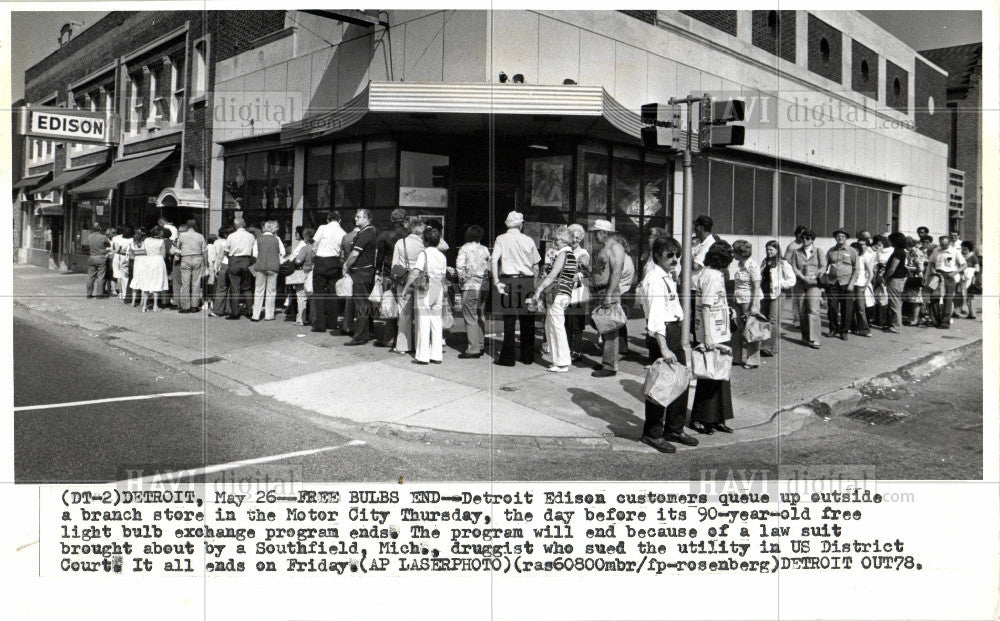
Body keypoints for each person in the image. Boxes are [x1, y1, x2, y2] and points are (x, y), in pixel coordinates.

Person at [639, 235, 699, 453]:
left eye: (677, 255)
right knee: (661, 385)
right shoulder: (654, 279)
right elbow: (656, 317)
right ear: (657, 256)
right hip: (662, 336)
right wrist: (663, 348)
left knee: (680, 382)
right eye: (669, 255)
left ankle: (674, 428)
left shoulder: (667, 276)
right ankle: (652, 433)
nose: (675, 259)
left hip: (673, 333)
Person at [690, 240, 736, 435]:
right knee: (709, 377)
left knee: (720, 376)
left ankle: (718, 417)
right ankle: (702, 418)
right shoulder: (713, 276)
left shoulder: (708, 274)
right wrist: (708, 337)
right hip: (712, 333)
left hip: (717, 330)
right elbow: (706, 306)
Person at [491, 211, 541, 367]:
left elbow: (493, 260)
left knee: (509, 320)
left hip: (508, 281)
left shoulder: (501, 239)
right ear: (520, 224)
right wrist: (534, 284)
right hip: (526, 282)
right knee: (528, 321)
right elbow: (536, 265)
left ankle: (507, 358)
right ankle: (527, 356)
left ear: (507, 223)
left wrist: (496, 281)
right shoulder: (528, 240)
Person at [533, 226, 577, 373]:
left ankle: (562, 361)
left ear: (564, 240)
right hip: (565, 293)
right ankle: (557, 359)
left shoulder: (563, 254)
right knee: (552, 325)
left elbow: (553, 274)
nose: (555, 241)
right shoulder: (571, 254)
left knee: (556, 327)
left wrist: (539, 288)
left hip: (558, 294)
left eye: (557, 239)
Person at [405, 226, 448, 364]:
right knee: (436, 321)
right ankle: (436, 355)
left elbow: (416, 272)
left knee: (423, 322)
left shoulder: (424, 254)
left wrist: (406, 287)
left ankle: (423, 355)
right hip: (438, 288)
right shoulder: (442, 256)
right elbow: (443, 276)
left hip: (426, 289)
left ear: (425, 240)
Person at [590, 220, 626, 377]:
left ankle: (610, 366)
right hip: (602, 291)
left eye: (595, 232)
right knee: (603, 326)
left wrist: (609, 294)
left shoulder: (615, 247)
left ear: (603, 232)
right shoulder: (606, 248)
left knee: (610, 328)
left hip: (607, 291)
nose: (594, 235)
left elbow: (616, 272)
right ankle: (607, 361)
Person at [343, 209, 379, 345]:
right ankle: (369, 331)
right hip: (366, 271)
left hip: (361, 273)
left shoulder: (366, 232)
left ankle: (361, 336)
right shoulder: (368, 231)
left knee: (361, 304)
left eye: (358, 217)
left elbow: (354, 254)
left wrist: (346, 266)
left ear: (366, 218)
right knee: (365, 303)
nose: (355, 219)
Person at [391, 217, 427, 354]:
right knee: (420, 315)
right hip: (420, 280)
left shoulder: (401, 243)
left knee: (404, 314)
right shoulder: (425, 244)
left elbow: (395, 264)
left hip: (404, 280)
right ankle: (420, 345)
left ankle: (402, 346)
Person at [374, 209, 409, 347]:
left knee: (390, 304)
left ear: (392, 220)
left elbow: (380, 257)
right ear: (404, 220)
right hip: (406, 273)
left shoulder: (385, 235)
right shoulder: (408, 235)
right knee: (404, 306)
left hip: (389, 273)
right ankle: (404, 338)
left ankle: (389, 338)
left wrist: (378, 272)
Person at [456, 224, 491, 358]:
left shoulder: (465, 248)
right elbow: (489, 266)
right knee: (480, 314)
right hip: (484, 285)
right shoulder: (485, 249)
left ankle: (473, 348)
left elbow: (460, 267)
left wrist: (461, 280)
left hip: (470, 284)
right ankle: (481, 344)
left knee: (470, 316)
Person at [309, 211, 346, 333]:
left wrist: (314, 261)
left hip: (321, 261)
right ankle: (332, 323)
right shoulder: (343, 233)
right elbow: (342, 252)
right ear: (339, 220)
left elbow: (314, 247)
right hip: (334, 262)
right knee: (333, 293)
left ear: (327, 219)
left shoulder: (322, 228)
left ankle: (320, 324)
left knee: (318, 293)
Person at [789, 228, 825, 348]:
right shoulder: (796, 252)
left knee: (813, 310)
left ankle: (815, 339)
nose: (805, 240)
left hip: (813, 285)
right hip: (800, 284)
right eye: (803, 238)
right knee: (802, 310)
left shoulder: (818, 251)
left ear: (812, 240)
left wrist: (815, 275)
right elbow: (794, 266)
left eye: (807, 238)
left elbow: (823, 267)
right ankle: (805, 337)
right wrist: (801, 276)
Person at [759, 240, 795, 357]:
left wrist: (779, 284)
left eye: (771, 249)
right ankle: (764, 345)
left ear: (777, 250)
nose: (769, 252)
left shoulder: (783, 263)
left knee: (773, 320)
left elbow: (792, 280)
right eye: (767, 249)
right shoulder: (764, 262)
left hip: (777, 294)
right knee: (764, 319)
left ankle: (769, 347)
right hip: (764, 294)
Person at [730, 240, 762, 368]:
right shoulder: (739, 264)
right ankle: (736, 357)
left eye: (735, 251)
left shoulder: (752, 265)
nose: (733, 254)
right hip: (738, 299)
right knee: (737, 329)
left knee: (751, 330)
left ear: (740, 253)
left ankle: (753, 360)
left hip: (748, 300)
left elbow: (756, 286)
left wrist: (754, 305)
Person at [823, 229, 858, 341]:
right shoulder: (831, 251)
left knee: (846, 308)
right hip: (833, 283)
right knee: (832, 307)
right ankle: (833, 329)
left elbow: (857, 268)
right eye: (838, 236)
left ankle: (844, 331)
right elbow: (824, 266)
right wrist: (825, 280)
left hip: (846, 283)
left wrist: (852, 283)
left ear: (846, 238)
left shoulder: (852, 251)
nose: (840, 238)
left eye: (843, 236)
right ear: (835, 238)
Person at [926, 235, 966, 329]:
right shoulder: (936, 250)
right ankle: (935, 320)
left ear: (950, 243)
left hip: (949, 275)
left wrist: (955, 272)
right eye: (942, 244)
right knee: (934, 298)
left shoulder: (955, 252)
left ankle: (945, 322)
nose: (943, 247)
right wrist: (931, 271)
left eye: (945, 245)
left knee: (948, 299)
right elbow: (931, 262)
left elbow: (964, 265)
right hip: (937, 275)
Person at [250, 220, 286, 321]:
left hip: (260, 266)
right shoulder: (277, 239)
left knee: (258, 290)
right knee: (271, 291)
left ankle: (255, 315)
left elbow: (255, 254)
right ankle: (269, 315)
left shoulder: (259, 239)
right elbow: (283, 253)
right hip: (273, 267)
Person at [566, 223, 591, 361]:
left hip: (578, 292)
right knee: (567, 321)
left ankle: (576, 350)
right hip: (566, 290)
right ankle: (567, 348)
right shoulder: (565, 251)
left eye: (577, 237)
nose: (574, 240)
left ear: (581, 238)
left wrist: (579, 274)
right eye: (572, 237)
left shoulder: (583, 253)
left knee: (576, 323)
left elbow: (585, 271)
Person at [225, 218, 257, 320]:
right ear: (244, 224)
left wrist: (231, 258)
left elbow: (226, 251)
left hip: (234, 260)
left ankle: (235, 312)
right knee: (247, 287)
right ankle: (249, 311)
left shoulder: (231, 236)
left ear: (235, 226)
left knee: (235, 288)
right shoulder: (251, 236)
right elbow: (254, 250)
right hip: (247, 260)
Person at [131, 226, 169, 311]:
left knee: (147, 281)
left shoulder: (146, 240)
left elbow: (144, 251)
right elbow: (163, 254)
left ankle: (144, 305)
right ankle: (155, 305)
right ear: (159, 233)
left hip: (148, 260)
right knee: (157, 281)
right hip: (158, 261)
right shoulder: (161, 241)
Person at [880, 232, 909, 333]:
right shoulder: (901, 251)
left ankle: (895, 325)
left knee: (894, 302)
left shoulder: (898, 252)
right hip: (900, 279)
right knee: (896, 302)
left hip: (895, 279)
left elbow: (892, 268)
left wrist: (885, 277)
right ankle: (894, 324)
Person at [176, 220, 207, 313]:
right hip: (197, 258)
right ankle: (194, 306)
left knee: (185, 283)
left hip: (186, 258)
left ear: (187, 226)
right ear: (195, 226)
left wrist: (176, 260)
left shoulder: (182, 236)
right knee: (196, 283)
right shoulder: (200, 236)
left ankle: (185, 306)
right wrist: (205, 264)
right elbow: (204, 251)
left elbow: (178, 248)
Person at [288, 228, 316, 325]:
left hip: (304, 273)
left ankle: (301, 319)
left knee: (301, 297)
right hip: (315, 273)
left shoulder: (305, 248)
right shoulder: (318, 248)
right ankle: (313, 318)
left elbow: (298, 261)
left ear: (305, 238)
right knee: (313, 298)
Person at [848, 237, 873, 337]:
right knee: (850, 307)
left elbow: (870, 273)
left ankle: (865, 329)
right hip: (850, 285)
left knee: (860, 307)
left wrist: (866, 284)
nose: (854, 251)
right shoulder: (849, 260)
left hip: (859, 286)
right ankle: (852, 327)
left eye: (856, 249)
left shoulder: (863, 259)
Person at [209, 226, 231, 317]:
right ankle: (228, 308)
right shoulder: (231, 241)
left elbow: (218, 256)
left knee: (221, 288)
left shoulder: (217, 242)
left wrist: (215, 268)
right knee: (230, 288)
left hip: (223, 264)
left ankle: (218, 309)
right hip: (232, 264)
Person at [84, 224, 111, 298]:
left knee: (90, 276)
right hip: (101, 257)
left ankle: (89, 294)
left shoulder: (89, 236)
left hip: (92, 257)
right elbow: (109, 245)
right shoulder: (103, 237)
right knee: (101, 276)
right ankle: (99, 293)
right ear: (99, 228)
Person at [111, 226, 133, 301]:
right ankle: (126, 293)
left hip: (118, 257)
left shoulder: (118, 239)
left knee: (119, 275)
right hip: (128, 257)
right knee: (126, 276)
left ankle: (121, 292)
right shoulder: (132, 240)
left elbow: (117, 250)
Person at [958, 241, 979, 319]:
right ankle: (956, 312)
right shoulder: (959, 255)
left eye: (965, 248)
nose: (963, 249)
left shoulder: (973, 257)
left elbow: (977, 269)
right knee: (959, 295)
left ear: (969, 249)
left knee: (969, 296)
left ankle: (972, 313)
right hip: (960, 278)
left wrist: (968, 270)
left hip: (970, 280)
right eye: (962, 248)